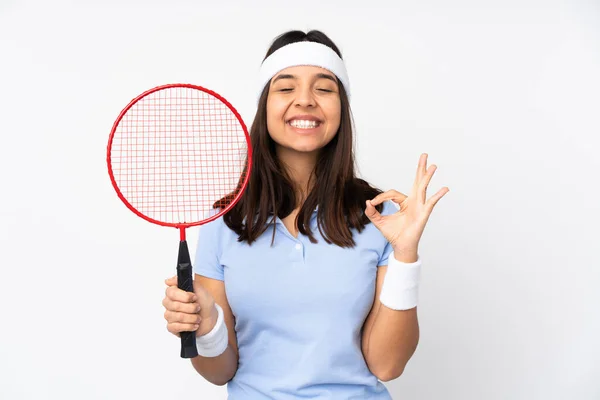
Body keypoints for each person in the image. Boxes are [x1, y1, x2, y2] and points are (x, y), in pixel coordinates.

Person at [162, 29, 449, 399]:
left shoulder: (381, 216)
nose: (305, 100)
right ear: (264, 106)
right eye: (285, 88)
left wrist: (406, 256)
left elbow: (387, 365)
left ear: (341, 109)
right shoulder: (224, 220)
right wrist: (207, 325)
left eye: (324, 89)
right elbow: (220, 372)